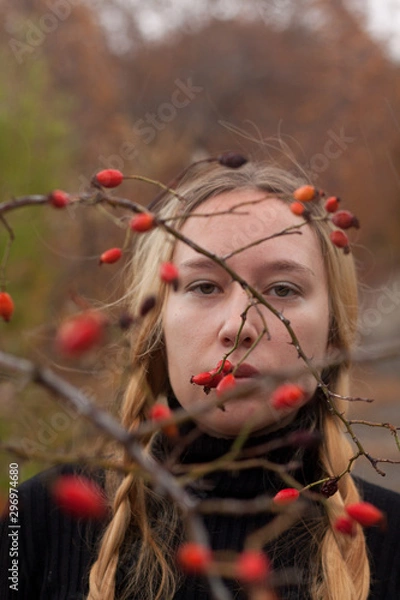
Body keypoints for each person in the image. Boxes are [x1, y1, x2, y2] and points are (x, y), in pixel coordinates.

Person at [1, 157, 400, 600]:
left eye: (283, 289)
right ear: (157, 328)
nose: (240, 325)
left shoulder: (391, 542)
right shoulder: (31, 521)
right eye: (205, 287)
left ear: (331, 337)